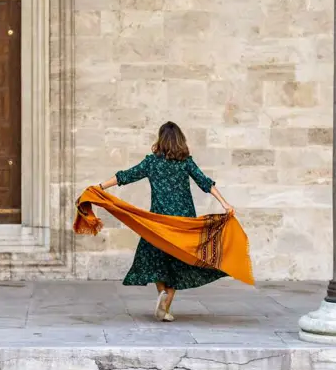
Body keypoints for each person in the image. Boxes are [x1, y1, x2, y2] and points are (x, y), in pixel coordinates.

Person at [97, 121, 235, 322]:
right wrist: (225, 204)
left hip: (160, 221)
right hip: (183, 222)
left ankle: (163, 293)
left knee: (155, 258)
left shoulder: (152, 162)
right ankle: (166, 303)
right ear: (180, 140)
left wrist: (100, 187)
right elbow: (205, 182)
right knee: (178, 262)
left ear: (160, 140)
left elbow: (125, 176)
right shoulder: (186, 162)